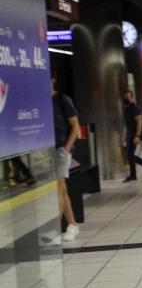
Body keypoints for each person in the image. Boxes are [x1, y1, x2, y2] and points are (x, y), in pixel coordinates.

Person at [51, 77, 80, 241]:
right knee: (61, 189)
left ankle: (54, 229)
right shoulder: (40, 101)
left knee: (58, 187)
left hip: (61, 149)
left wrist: (66, 148)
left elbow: (75, 126)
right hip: (47, 151)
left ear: (53, 80)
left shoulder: (62, 100)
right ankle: (72, 224)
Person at [121, 90, 142, 182]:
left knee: (130, 154)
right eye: (124, 97)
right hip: (130, 134)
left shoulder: (134, 108)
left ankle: (140, 170)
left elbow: (139, 122)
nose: (125, 98)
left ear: (131, 97)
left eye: (127, 97)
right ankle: (135, 173)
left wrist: (137, 136)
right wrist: (126, 137)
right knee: (129, 155)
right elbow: (128, 124)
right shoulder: (127, 109)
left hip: (134, 135)